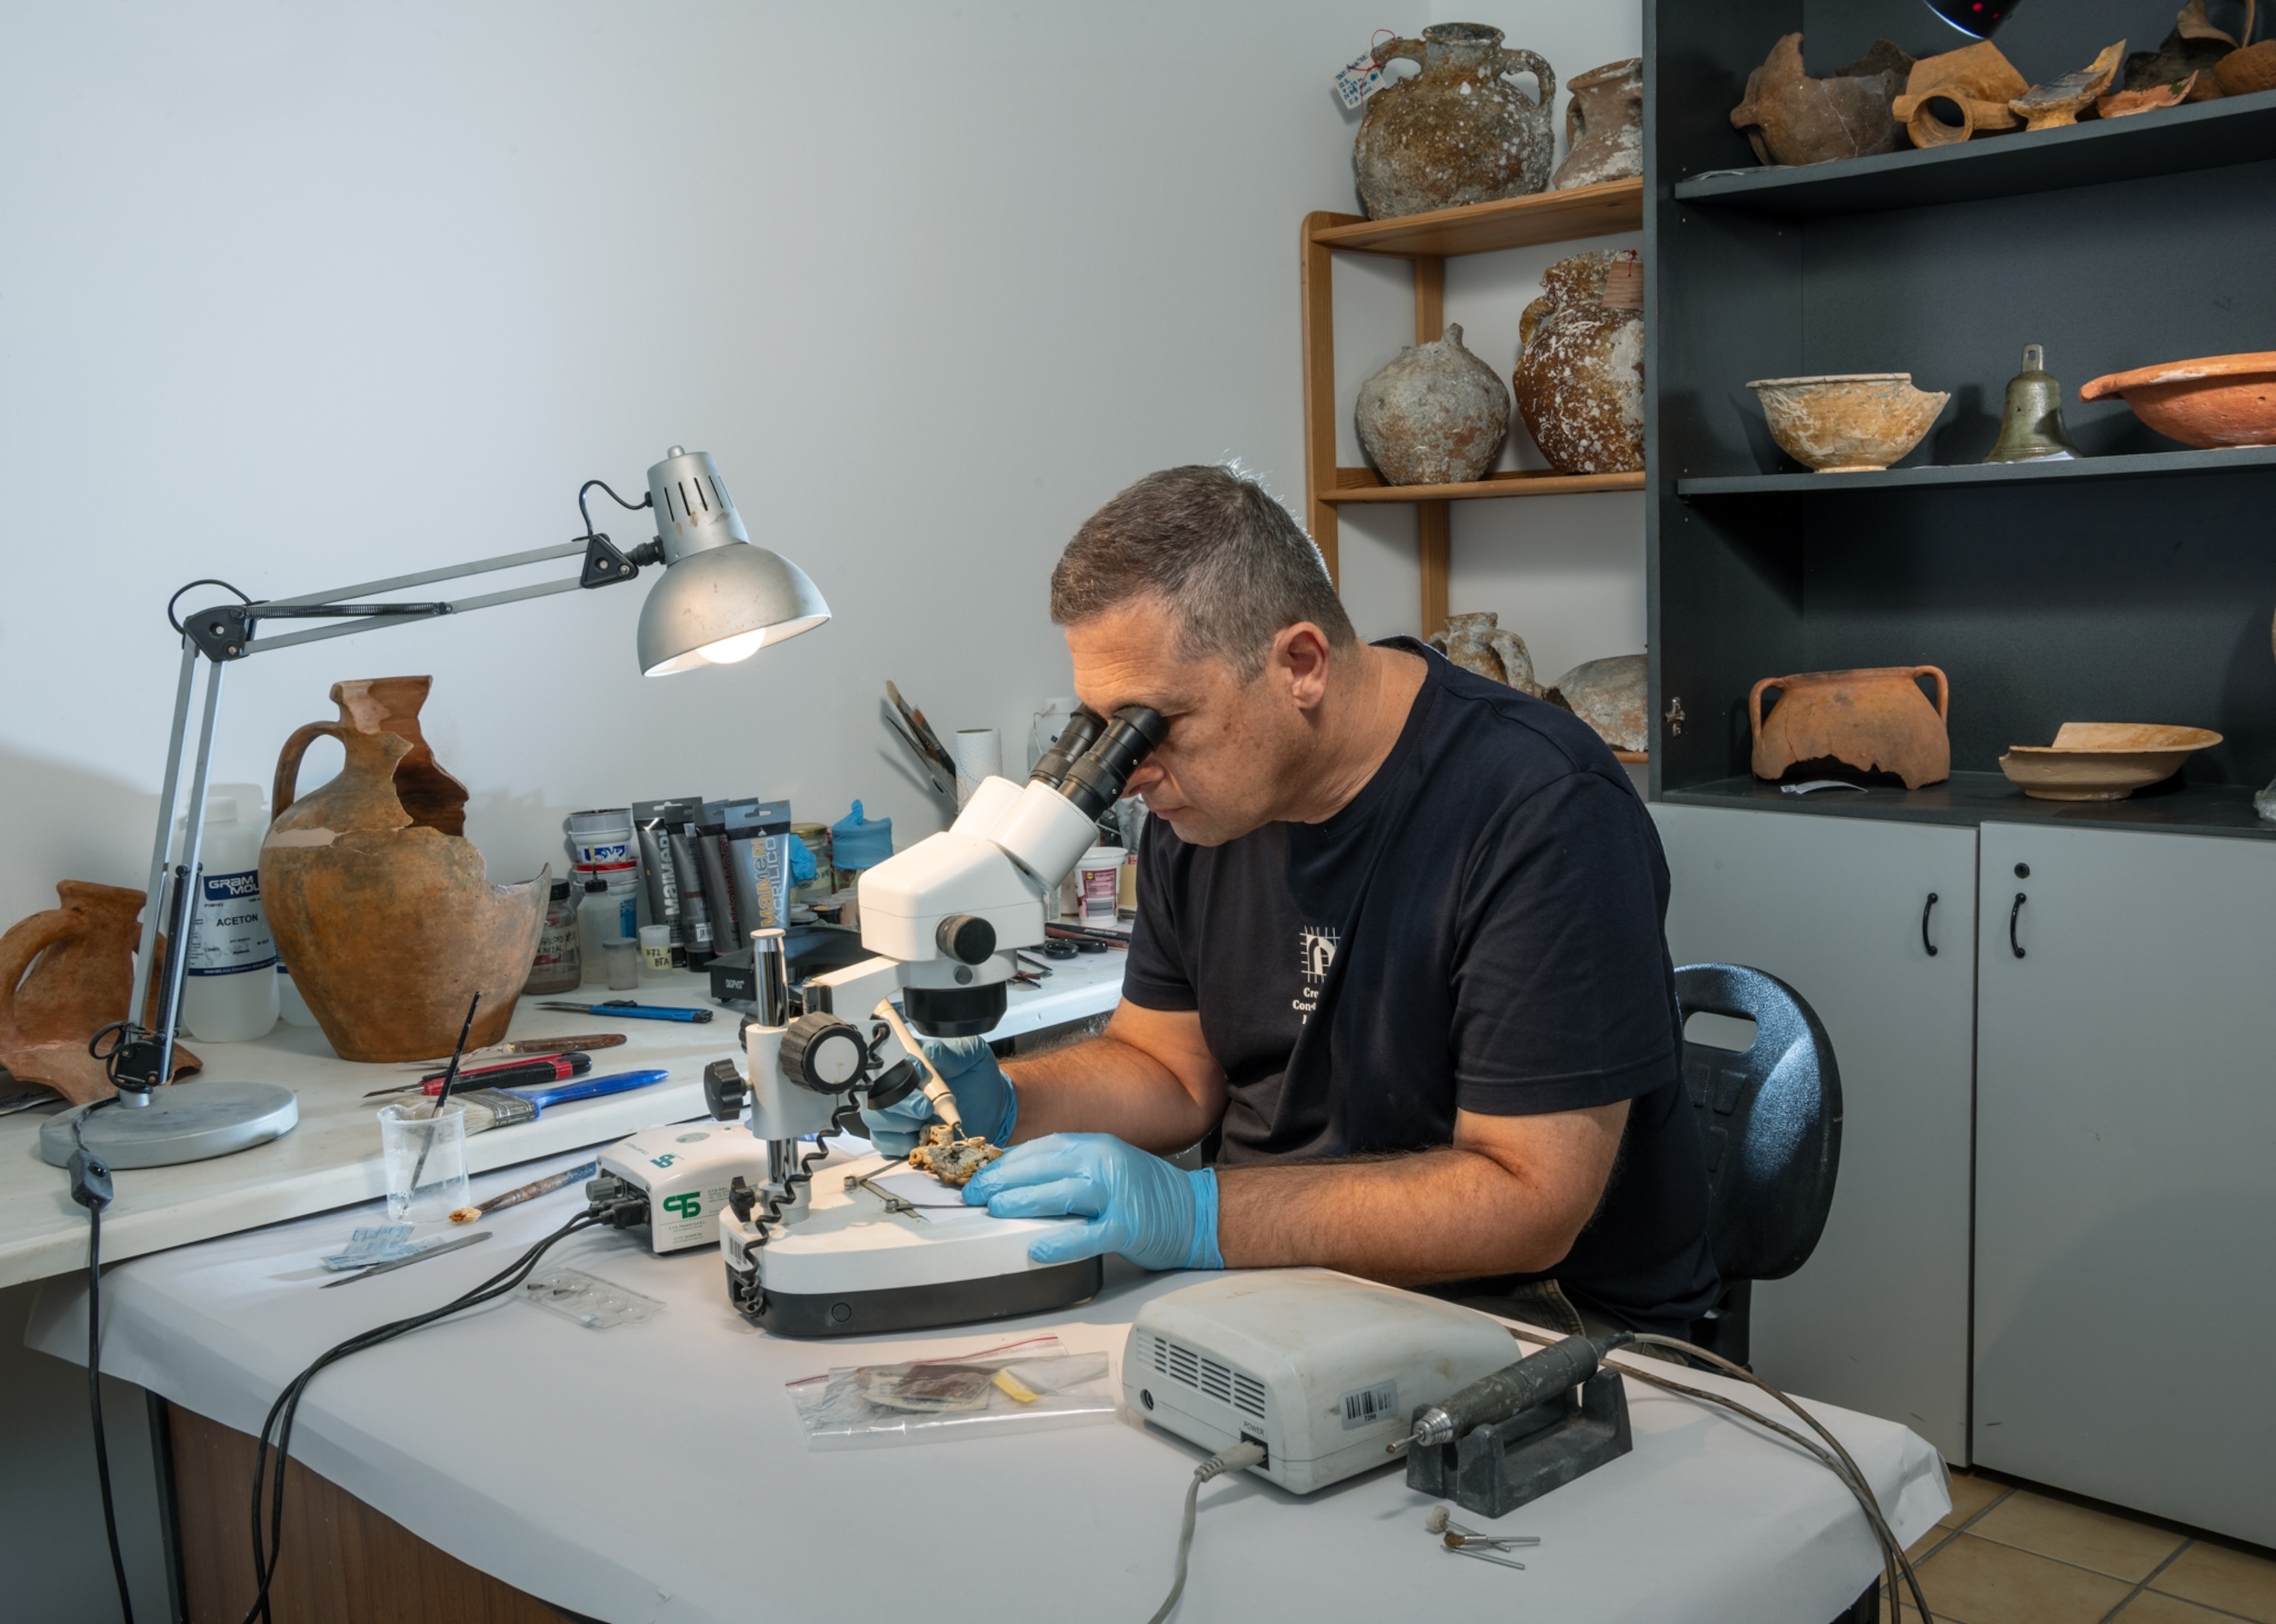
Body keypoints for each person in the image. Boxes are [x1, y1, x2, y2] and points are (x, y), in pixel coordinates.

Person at [863, 463, 1716, 1337]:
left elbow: (1528, 1200)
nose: (1131, 770)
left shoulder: (1542, 807)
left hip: (1542, 1317)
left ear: (1300, 664)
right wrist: (1005, 1101)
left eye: (1152, 724)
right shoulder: (1204, 809)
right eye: (1107, 729)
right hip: (1285, 1276)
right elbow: (1169, 1068)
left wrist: (1200, 1213)